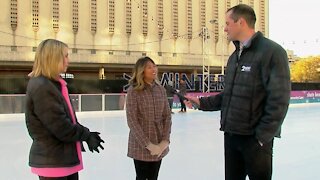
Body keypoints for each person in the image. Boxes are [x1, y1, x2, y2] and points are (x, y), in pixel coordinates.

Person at [185, 4, 291, 180]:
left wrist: (262, 137)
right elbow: (230, 95)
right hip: (232, 135)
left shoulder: (272, 52)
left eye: (227, 23)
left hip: (255, 140)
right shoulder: (235, 56)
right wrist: (202, 103)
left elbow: (279, 100)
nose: (225, 29)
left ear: (240, 22)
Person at [25, 39, 104, 180]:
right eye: (66, 56)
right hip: (53, 162)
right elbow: (61, 127)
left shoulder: (53, 84)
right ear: (54, 58)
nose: (68, 61)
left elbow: (67, 120)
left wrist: (86, 135)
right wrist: (86, 135)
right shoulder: (42, 87)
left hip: (61, 159)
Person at [126, 56, 172, 180]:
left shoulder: (160, 90)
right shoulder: (133, 91)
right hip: (141, 146)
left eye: (154, 66)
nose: (154, 69)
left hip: (159, 143)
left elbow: (167, 116)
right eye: (149, 67)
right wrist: (148, 145)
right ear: (141, 71)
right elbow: (132, 121)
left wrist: (164, 141)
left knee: (154, 177)